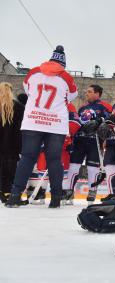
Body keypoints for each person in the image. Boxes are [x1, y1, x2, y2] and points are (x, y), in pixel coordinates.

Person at [6, 45, 78, 208]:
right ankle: (56, 199)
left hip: (33, 121)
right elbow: (72, 96)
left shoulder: (33, 72)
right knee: (54, 159)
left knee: (27, 157)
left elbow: (28, 89)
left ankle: (15, 196)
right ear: (63, 63)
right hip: (55, 124)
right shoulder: (66, 77)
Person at [62, 84, 112, 204]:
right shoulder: (82, 107)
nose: (87, 94)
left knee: (92, 168)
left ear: (97, 93)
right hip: (79, 140)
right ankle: (69, 193)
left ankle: (92, 193)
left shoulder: (105, 106)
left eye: (89, 92)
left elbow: (111, 119)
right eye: (87, 92)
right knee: (73, 166)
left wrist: (100, 121)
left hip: (94, 140)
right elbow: (78, 121)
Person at [0, 83, 25, 203]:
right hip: (12, 146)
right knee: (10, 171)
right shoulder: (19, 107)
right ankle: (7, 192)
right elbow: (20, 130)